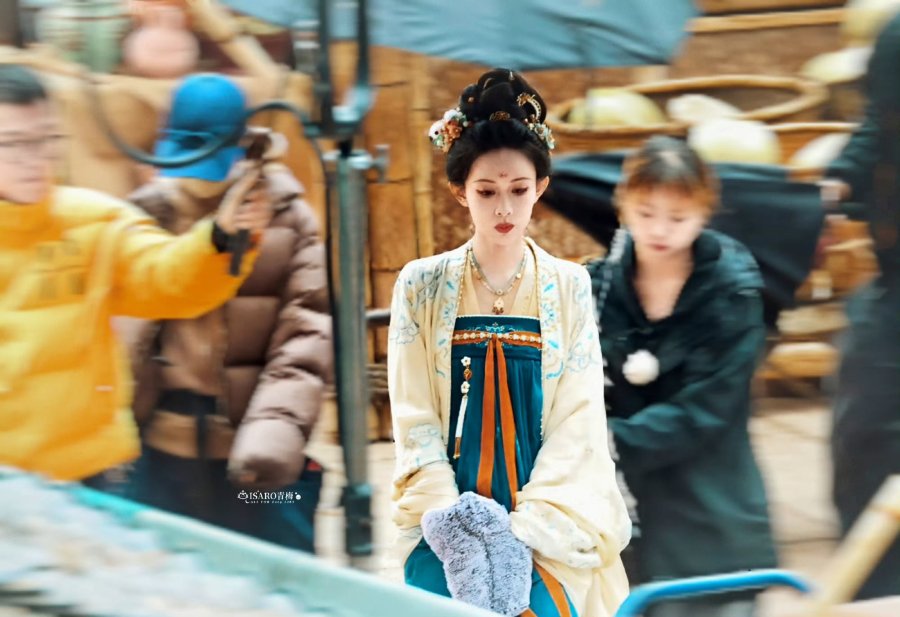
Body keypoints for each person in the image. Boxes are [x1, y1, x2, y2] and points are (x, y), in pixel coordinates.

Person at [387, 68, 631, 617]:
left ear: (540, 187)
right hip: (444, 512)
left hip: (547, 514)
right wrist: (454, 528)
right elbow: (413, 413)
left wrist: (525, 530)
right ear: (460, 192)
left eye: (519, 190)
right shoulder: (421, 285)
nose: (504, 209)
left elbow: (578, 419)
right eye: (486, 191)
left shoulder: (569, 284)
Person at [0, 65, 271, 481]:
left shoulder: (95, 221)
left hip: (88, 474)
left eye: (45, 140)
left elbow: (165, 276)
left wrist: (220, 237)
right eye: (12, 143)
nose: (33, 160)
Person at [113, 74, 332, 552]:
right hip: (160, 454)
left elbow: (306, 336)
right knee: (157, 580)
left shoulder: (288, 217)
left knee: (277, 578)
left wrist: (269, 441)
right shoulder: (143, 216)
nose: (199, 174)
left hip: (257, 459)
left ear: (244, 146)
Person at [586, 136, 777, 617]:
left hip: (709, 496)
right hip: (624, 503)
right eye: (645, 212)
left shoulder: (733, 292)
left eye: (678, 217)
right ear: (623, 204)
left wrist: (609, 442)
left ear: (704, 211)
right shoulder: (596, 285)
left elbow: (708, 409)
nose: (659, 230)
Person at [820, 11, 900, 600]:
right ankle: (876, 595)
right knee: (865, 428)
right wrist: (838, 184)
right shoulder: (896, 39)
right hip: (894, 284)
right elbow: (879, 122)